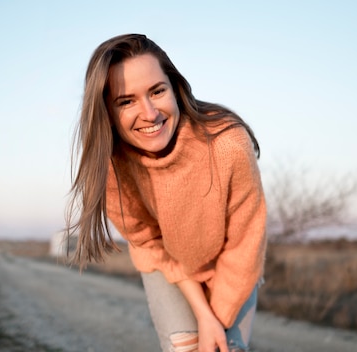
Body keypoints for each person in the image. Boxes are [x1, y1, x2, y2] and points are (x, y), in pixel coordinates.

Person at [65, 33, 267, 352]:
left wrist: (216, 320)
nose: (149, 113)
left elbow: (245, 240)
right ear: (107, 111)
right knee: (184, 347)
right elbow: (148, 241)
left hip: (233, 264)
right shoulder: (111, 167)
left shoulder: (228, 143)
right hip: (168, 264)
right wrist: (201, 312)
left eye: (157, 91)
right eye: (126, 101)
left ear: (174, 88)